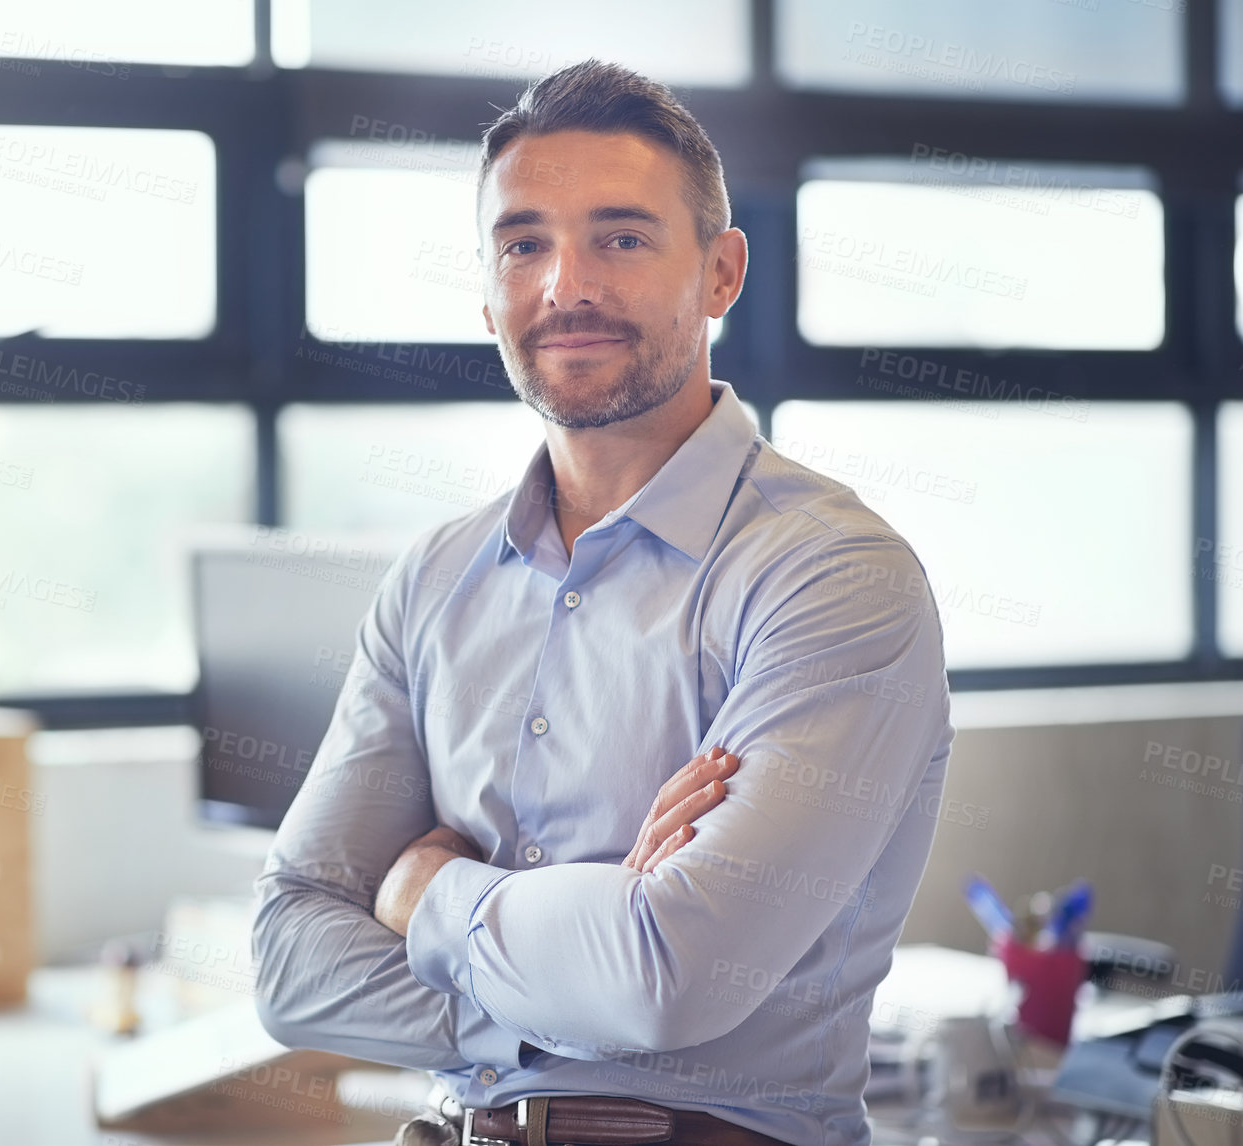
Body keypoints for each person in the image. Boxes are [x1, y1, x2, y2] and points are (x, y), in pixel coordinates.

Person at [251, 57, 953, 1146]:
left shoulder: (829, 579)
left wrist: (424, 896)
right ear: (484, 289)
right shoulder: (434, 581)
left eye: (620, 238)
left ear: (719, 273)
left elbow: (670, 978)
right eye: (522, 242)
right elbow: (289, 956)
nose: (562, 285)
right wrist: (577, 972)